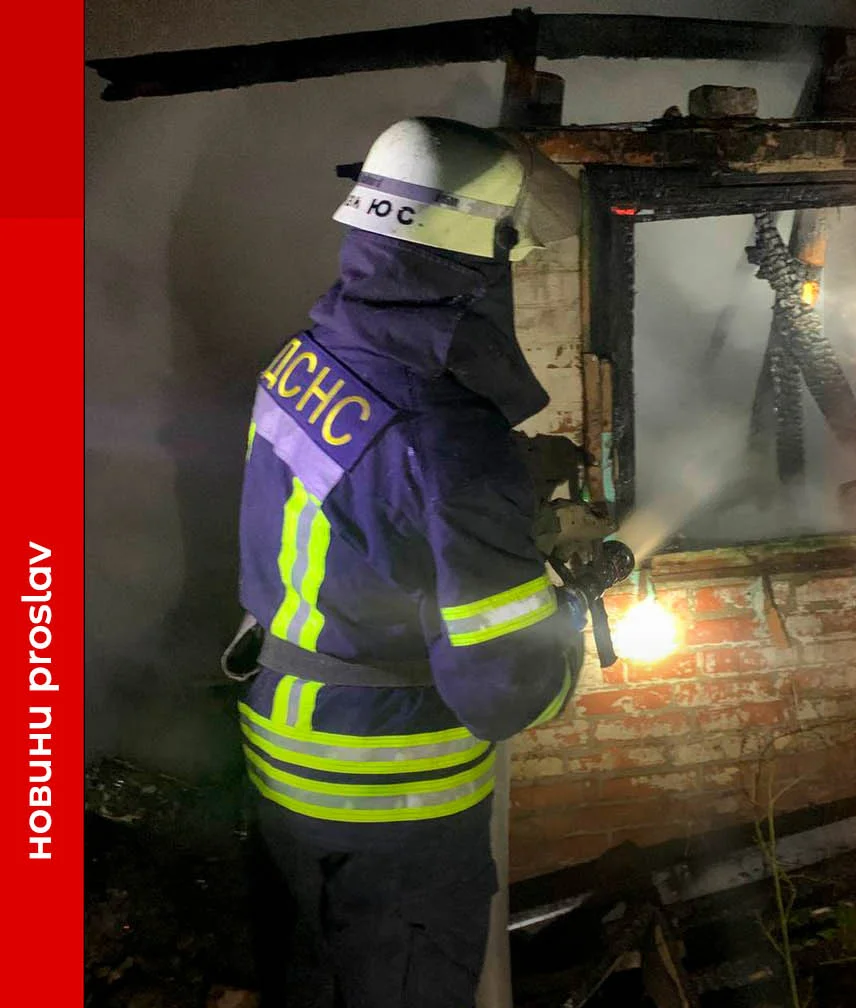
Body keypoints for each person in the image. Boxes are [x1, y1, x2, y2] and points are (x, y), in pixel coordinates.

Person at [222, 116, 586, 1007]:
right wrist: (570, 608)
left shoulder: (308, 356)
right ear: (473, 253)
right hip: (392, 795)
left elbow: (361, 518)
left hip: (282, 754)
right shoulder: (452, 436)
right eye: (512, 251)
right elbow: (502, 688)